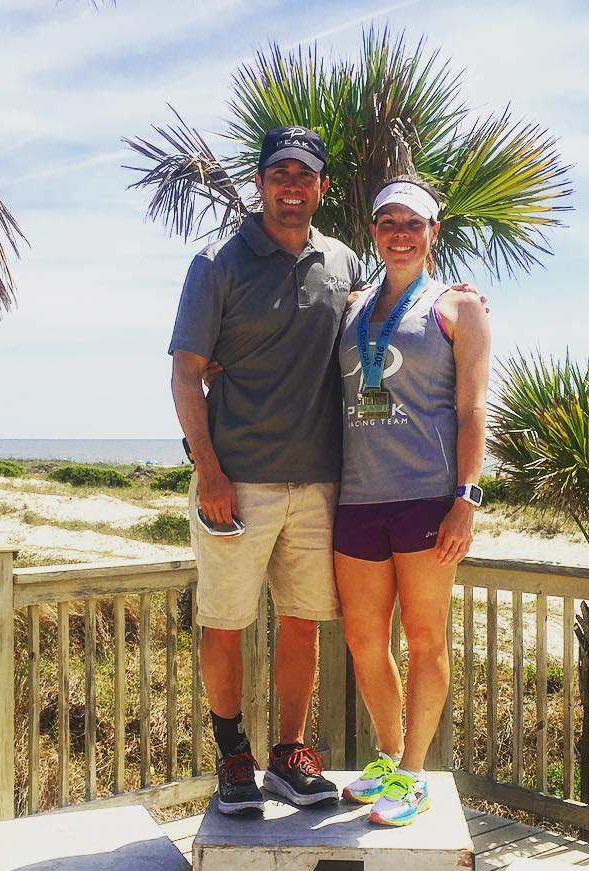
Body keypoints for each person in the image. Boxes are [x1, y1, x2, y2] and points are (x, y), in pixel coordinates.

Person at [169, 126, 366, 814]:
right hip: (237, 483)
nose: (291, 185)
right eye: (278, 173)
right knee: (225, 622)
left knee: (303, 621)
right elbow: (186, 374)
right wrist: (209, 470)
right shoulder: (217, 264)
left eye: (304, 175)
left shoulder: (342, 263)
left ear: (321, 188)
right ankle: (233, 759)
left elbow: (379, 332)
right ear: (258, 184)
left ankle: (289, 754)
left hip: (318, 481)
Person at [336, 177, 491, 826]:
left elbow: (473, 407)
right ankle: (386, 755)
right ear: (373, 232)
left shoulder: (458, 308)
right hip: (354, 501)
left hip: (427, 500)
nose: (399, 232)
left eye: (413, 223)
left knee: (425, 641)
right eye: (387, 221)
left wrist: (466, 498)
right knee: (365, 641)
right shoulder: (349, 307)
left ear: (433, 233)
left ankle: (414, 774)